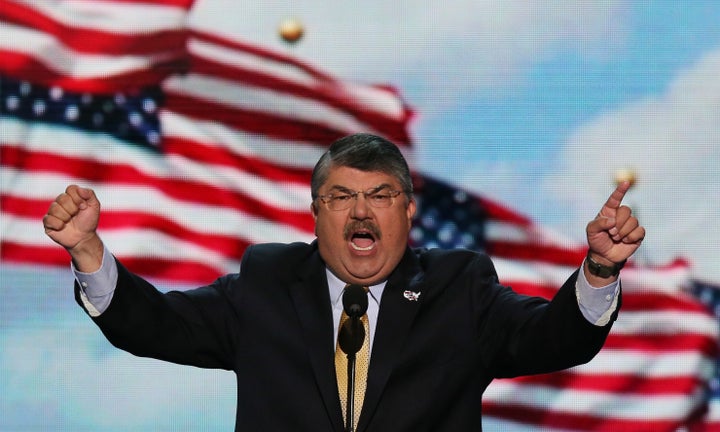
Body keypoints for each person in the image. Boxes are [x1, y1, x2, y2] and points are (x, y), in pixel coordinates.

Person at [43, 132, 644, 431]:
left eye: (380, 196)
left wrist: (599, 270)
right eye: (342, 197)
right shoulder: (267, 282)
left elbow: (554, 338)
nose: (361, 213)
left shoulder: (458, 287)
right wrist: (89, 251)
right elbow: (156, 326)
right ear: (316, 211)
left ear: (408, 212)